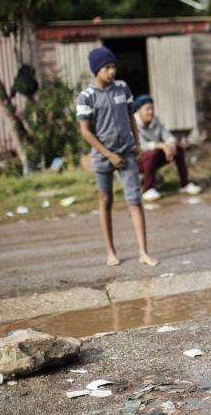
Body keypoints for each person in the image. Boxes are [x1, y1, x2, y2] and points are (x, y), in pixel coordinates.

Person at [76, 46, 159, 267]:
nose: (111, 71)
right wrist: (109, 155)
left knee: (135, 200)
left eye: (113, 66)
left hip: (127, 153)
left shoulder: (122, 88)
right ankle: (110, 251)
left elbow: (131, 116)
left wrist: (138, 142)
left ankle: (143, 252)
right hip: (103, 158)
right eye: (106, 67)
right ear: (96, 70)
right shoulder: (86, 97)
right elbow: (85, 131)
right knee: (106, 201)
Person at [132, 94, 202, 201]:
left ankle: (185, 184)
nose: (150, 112)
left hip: (154, 157)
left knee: (178, 149)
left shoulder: (155, 121)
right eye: (147, 109)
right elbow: (141, 146)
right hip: (137, 161)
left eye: (152, 108)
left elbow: (168, 136)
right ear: (139, 111)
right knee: (151, 153)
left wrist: (170, 146)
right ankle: (147, 189)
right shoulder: (133, 124)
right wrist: (162, 145)